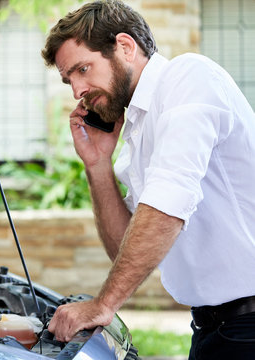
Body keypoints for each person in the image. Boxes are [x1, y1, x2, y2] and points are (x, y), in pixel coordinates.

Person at [41, 1, 255, 358]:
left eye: (82, 69)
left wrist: (103, 304)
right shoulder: (138, 128)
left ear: (125, 47)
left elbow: (167, 206)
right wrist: (98, 166)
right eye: (69, 80)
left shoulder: (188, 78)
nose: (77, 91)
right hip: (212, 328)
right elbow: (124, 247)